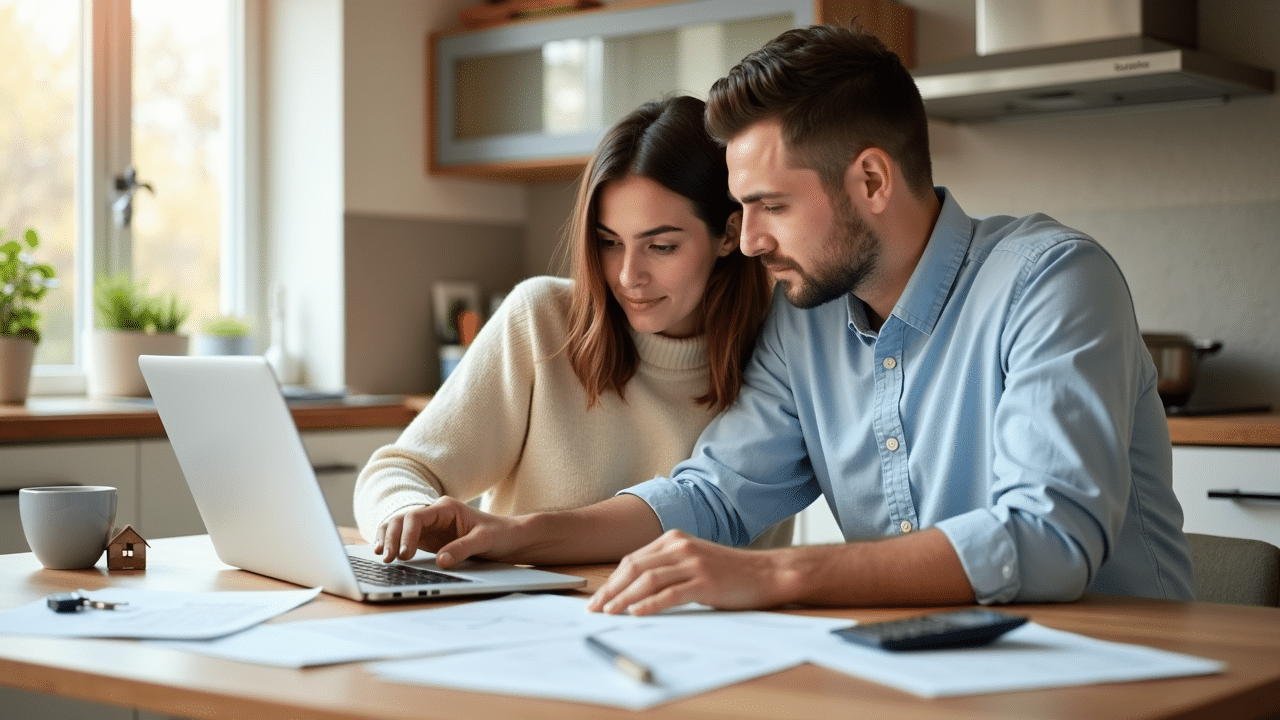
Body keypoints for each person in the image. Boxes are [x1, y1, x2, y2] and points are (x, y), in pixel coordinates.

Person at [382, 24, 1194, 614]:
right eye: (742, 209)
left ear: (871, 181)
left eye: (772, 205)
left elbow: (1048, 540)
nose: (750, 240)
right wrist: (514, 534)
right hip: (929, 668)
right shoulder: (807, 322)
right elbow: (712, 495)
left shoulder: (1050, 281)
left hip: (1128, 670)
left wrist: (777, 575)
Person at [355, 95, 793, 557]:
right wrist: (406, 515)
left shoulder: (779, 355)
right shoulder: (542, 320)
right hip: (521, 601)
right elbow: (396, 472)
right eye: (609, 242)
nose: (628, 276)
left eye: (661, 246)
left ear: (729, 234)